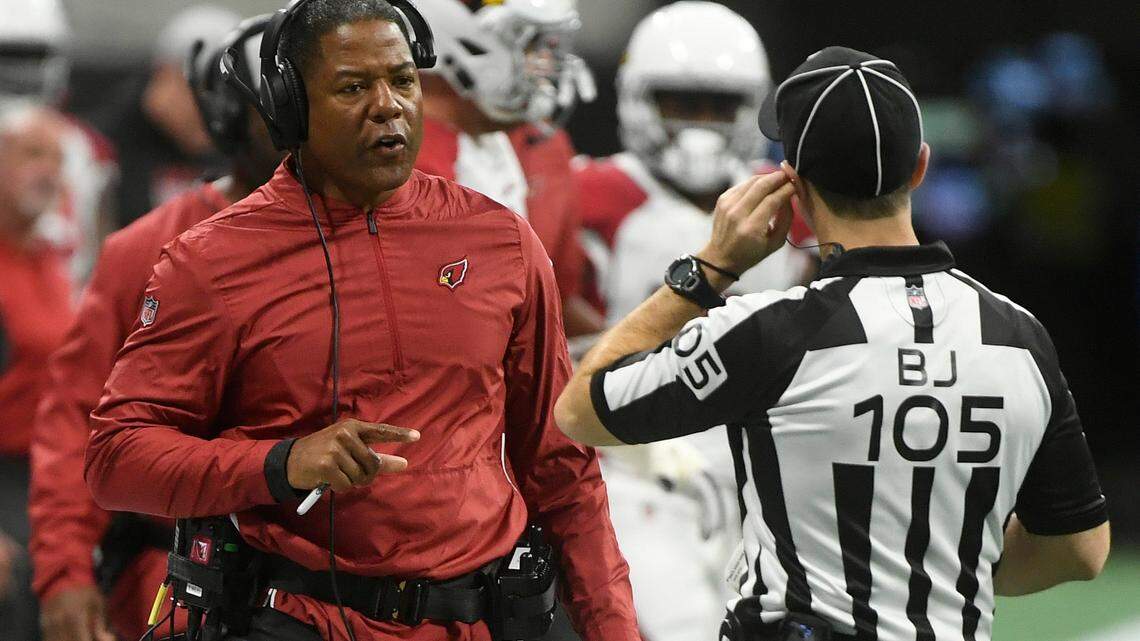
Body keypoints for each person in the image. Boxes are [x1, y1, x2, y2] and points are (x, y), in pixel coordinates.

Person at [84, 2, 637, 641]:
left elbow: (564, 473)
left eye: (402, 80)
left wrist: (614, 631)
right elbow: (115, 458)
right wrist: (278, 464)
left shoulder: (502, 241)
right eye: (353, 86)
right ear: (290, 107)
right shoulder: (210, 262)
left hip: (479, 620)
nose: (388, 106)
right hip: (294, 618)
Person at [555, 47, 1110, 641]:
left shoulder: (772, 331)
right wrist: (932, 569)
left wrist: (708, 268)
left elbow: (581, 409)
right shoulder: (1018, 336)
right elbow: (1079, 550)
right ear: (919, 167)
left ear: (791, 182)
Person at [28, 17, 282, 641]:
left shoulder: (382, 238)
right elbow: (77, 415)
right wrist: (65, 570)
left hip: (347, 583)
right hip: (179, 570)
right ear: (228, 117)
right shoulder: (147, 247)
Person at [571, 5, 815, 640]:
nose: (701, 124)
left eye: (719, 105)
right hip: (633, 470)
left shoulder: (789, 201)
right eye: (681, 101)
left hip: (764, 476)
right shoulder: (587, 198)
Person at [412, 0, 604, 337]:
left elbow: (558, 304)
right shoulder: (395, 153)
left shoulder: (544, 145)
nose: (545, 63)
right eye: (528, 44)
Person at [0, 103, 74, 641]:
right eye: (32, 155)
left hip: (48, 469)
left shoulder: (53, 257)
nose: (48, 170)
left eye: (56, 157)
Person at [0, 0, 119, 284]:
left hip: (62, 294)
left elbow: (98, 241)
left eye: (34, 57)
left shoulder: (84, 146)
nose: (23, 72)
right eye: (10, 56)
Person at [91, 4, 239, 227]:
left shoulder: (240, 153)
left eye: (227, 95)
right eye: (202, 91)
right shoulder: (102, 148)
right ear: (164, 74)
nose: (215, 107)